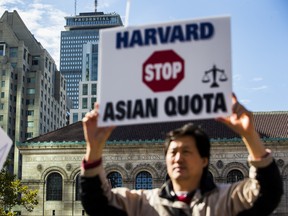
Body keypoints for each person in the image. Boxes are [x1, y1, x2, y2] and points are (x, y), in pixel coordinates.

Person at [80, 95, 283, 216]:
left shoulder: (226, 201)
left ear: (204, 160)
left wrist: (249, 135)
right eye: (173, 152)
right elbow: (98, 203)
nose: (178, 158)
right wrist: (94, 148)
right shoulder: (144, 204)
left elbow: (268, 192)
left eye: (186, 151)